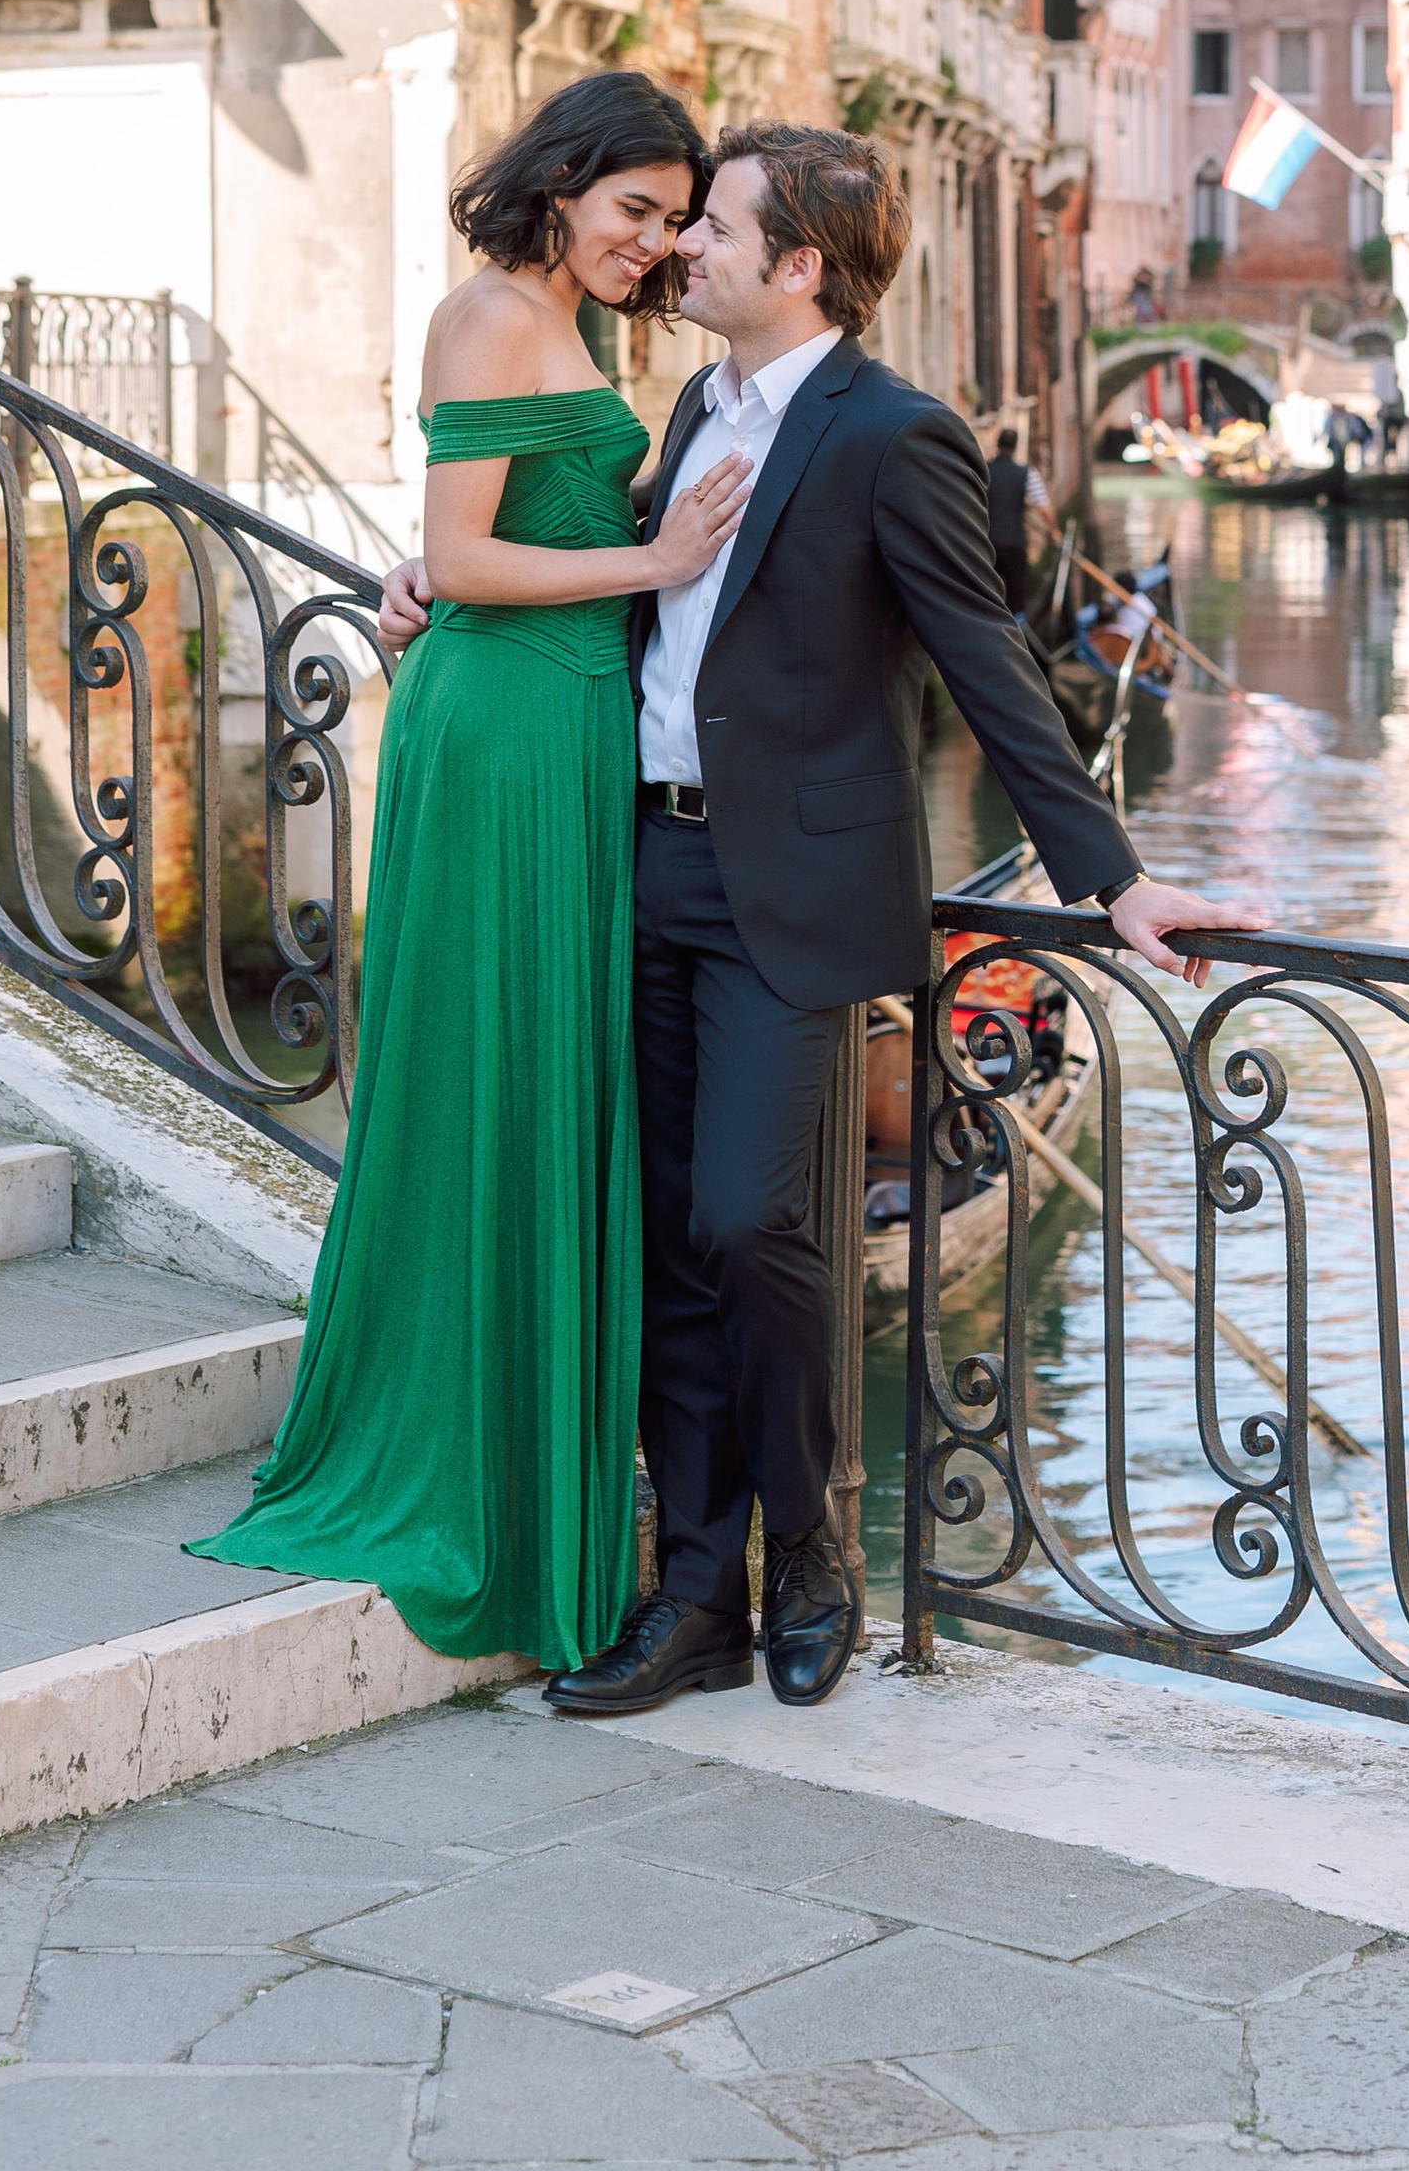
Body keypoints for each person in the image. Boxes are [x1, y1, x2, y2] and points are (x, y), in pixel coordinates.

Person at [379, 119, 1266, 1717]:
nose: (681, 249)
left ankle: (813, 1551)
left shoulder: (893, 434)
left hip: (785, 894)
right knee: (666, 1235)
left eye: (711, 227)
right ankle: (694, 1594)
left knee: (752, 1222)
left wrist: (1114, 877)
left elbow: (989, 659)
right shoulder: (687, 410)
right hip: (639, 861)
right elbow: (620, 581)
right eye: (675, 221)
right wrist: (433, 583)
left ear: (798, 265)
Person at [189, 72, 749, 1672]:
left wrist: (500, 561)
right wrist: (653, 555)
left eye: (675, 221)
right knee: (494, 1071)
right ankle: (466, 1460)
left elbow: (491, 532)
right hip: (504, 735)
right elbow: (471, 556)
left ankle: (530, 1450)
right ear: (562, 185)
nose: (655, 243)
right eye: (635, 209)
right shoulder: (490, 314)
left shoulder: (567, 321)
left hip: (565, 725)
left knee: (548, 1076)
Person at [984, 425, 1048, 617]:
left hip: (987, 543)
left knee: (987, 593)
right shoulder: (1027, 473)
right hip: (1014, 543)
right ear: (1015, 447)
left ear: (998, 445)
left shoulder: (984, 470)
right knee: (1016, 595)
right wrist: (1054, 531)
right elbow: (1044, 507)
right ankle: (1016, 626)